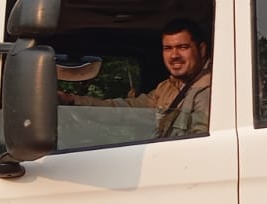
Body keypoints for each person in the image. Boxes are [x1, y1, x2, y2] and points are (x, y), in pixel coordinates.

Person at [59, 19, 212, 138]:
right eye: (168, 48)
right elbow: (127, 110)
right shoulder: (167, 87)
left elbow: (202, 148)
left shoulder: (210, 90)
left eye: (183, 47)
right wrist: (72, 100)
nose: (174, 56)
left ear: (202, 49)